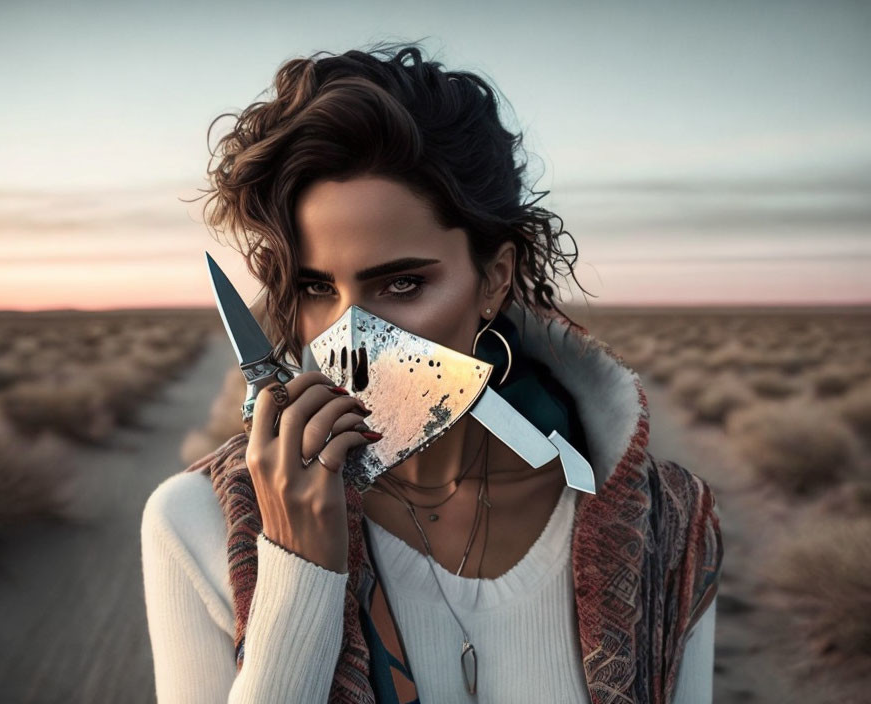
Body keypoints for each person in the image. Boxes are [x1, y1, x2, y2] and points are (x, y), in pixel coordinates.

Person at [141, 42, 723, 703]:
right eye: (314, 289)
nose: (350, 337)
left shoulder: (666, 526)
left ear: (493, 282)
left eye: (403, 283)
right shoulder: (196, 525)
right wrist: (296, 568)